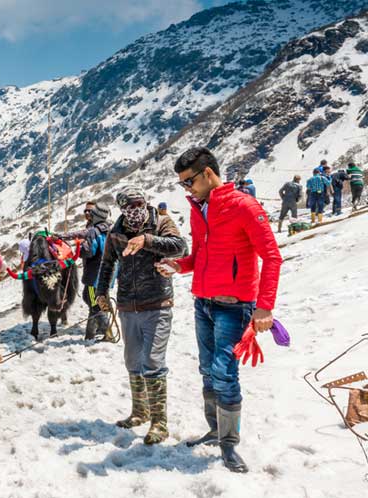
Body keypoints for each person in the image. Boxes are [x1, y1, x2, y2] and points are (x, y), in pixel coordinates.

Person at [159, 147, 282, 473]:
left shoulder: (243, 206)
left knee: (225, 373)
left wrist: (264, 307)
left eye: (189, 182)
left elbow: (271, 257)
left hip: (235, 307)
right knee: (207, 370)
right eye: (183, 184)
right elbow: (200, 255)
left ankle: (229, 445)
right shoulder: (200, 209)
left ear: (208, 174)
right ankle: (215, 430)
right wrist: (179, 266)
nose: (187, 189)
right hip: (204, 304)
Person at [95, 187, 187, 445]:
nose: (134, 211)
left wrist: (147, 240)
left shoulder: (162, 223)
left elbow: (181, 247)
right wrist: (101, 292)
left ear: (145, 203)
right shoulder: (116, 233)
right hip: (127, 304)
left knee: (153, 360)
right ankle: (140, 411)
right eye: (129, 206)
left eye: (138, 204)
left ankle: (160, 422)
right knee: (133, 359)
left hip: (157, 303)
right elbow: (107, 264)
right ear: (122, 208)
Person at [53, 201, 114, 341]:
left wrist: (82, 247)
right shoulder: (110, 227)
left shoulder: (94, 231)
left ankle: (107, 332)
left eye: (91, 212)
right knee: (95, 299)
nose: (89, 214)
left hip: (95, 275)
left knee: (92, 300)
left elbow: (89, 252)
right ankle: (91, 333)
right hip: (108, 272)